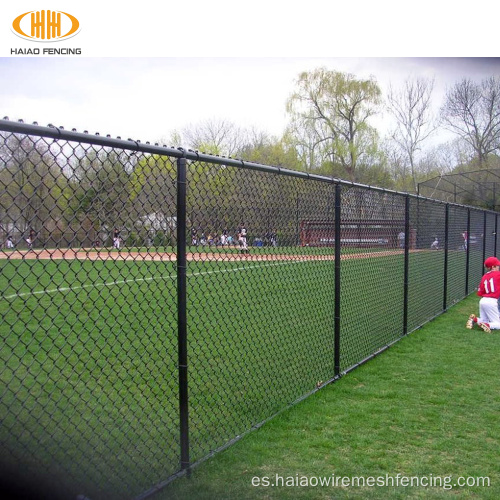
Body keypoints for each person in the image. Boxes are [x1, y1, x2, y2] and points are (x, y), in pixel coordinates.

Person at [466, 256, 500, 333]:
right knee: (498, 324)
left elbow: (480, 292)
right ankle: (488, 325)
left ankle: (474, 319)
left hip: (483, 300)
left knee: (484, 319)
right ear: (493, 267)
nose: (498, 267)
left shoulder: (484, 276)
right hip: (492, 301)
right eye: (497, 266)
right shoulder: (498, 274)